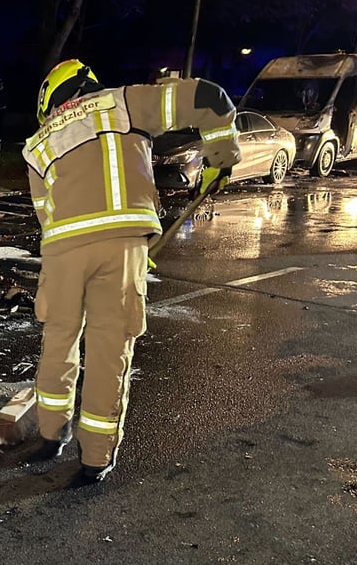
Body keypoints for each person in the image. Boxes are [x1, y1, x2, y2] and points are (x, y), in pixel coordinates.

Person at [21, 60, 241, 483]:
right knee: (109, 348)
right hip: (122, 247)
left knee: (58, 340)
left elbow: (46, 217)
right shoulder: (125, 103)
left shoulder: (37, 144)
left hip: (63, 252)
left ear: (51, 101)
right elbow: (210, 99)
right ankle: (94, 460)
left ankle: (50, 435)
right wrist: (220, 155)